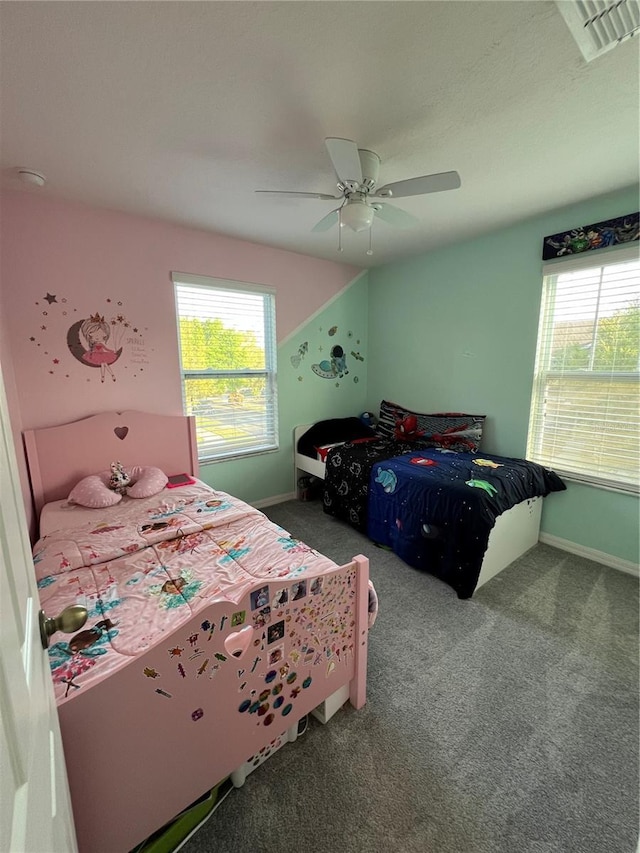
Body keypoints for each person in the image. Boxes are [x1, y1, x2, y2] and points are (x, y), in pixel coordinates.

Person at [80, 313, 118, 382]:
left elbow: (106, 349)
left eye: (101, 336)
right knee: (103, 364)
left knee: (104, 364)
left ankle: (111, 375)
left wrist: (111, 351)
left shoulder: (100, 344)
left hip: (102, 355)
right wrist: (86, 354)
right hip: (97, 356)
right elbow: (91, 351)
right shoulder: (93, 345)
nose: (97, 338)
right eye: (92, 336)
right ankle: (105, 376)